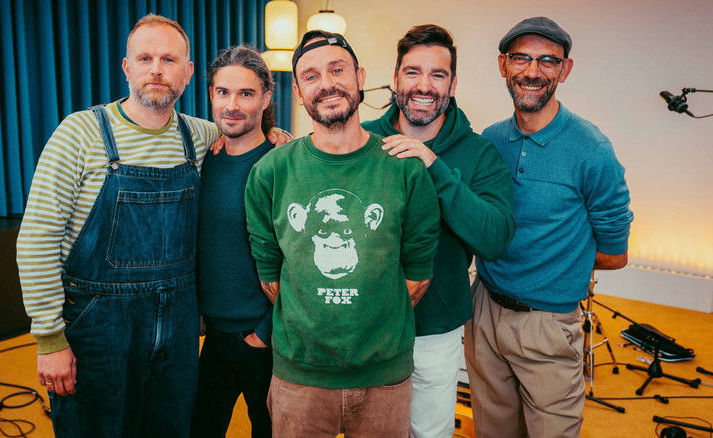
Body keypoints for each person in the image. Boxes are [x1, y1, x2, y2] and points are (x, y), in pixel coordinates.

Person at [18, 14, 220, 437]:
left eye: (169, 59)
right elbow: (37, 239)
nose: (156, 69)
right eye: (145, 58)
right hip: (98, 325)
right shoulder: (80, 133)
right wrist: (50, 340)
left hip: (179, 325)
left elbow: (252, 138)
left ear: (187, 72)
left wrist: (277, 136)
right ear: (127, 68)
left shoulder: (202, 137)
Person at [244, 30, 440, 437]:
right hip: (299, 377)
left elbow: (418, 278)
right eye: (311, 76)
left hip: (384, 378)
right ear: (298, 92)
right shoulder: (271, 172)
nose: (327, 83)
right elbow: (271, 278)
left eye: (337, 70)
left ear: (360, 77)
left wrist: (370, 314)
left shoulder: (404, 167)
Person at [464, 16, 634, 438]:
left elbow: (615, 254)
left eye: (547, 61)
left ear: (565, 69)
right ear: (503, 65)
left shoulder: (591, 149)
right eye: (521, 58)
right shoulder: (490, 140)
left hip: (547, 324)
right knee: (492, 430)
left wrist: (553, 267)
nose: (532, 71)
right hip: (484, 309)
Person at [361, 24, 515, 438]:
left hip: (434, 329)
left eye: (438, 74)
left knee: (428, 432)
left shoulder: (480, 153)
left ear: (453, 84)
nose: (424, 86)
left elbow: (495, 239)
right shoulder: (362, 139)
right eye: (413, 72)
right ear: (396, 78)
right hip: (365, 323)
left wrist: (435, 167)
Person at [193, 45, 275, 438]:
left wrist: (265, 332)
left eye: (246, 94)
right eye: (223, 92)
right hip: (212, 334)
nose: (232, 105)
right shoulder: (201, 159)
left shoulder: (281, 163)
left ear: (266, 98)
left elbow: (300, 259)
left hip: (262, 336)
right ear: (211, 94)